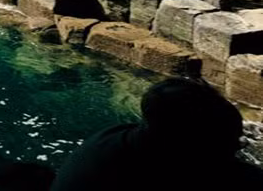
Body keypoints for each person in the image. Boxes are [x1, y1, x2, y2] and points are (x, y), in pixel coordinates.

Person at [50, 78, 263, 191]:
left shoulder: (111, 140)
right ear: (190, 141)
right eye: (229, 141)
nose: (238, 146)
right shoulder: (169, 172)